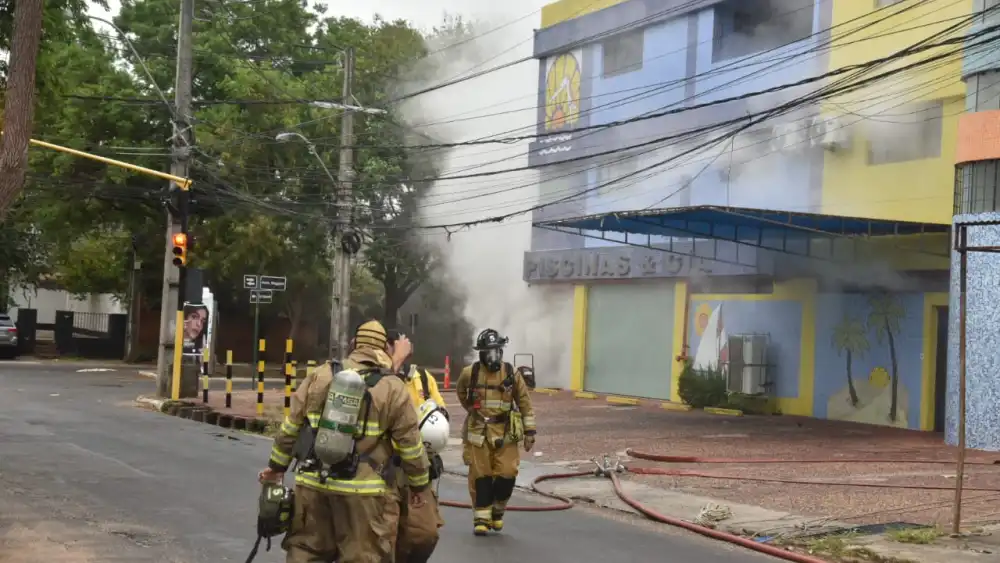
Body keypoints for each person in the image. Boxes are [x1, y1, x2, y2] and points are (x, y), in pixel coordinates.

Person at [258, 319, 430, 563]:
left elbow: (290, 429)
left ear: (354, 344)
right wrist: (419, 486)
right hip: (363, 494)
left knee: (306, 552)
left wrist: (276, 468)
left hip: (313, 485)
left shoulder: (320, 375)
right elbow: (411, 445)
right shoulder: (393, 387)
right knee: (361, 556)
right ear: (384, 348)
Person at [455, 328, 536, 536]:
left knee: (507, 474)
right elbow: (461, 392)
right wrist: (472, 410)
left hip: (505, 432)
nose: (493, 356)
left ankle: (497, 512)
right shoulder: (470, 373)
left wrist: (530, 431)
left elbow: (525, 403)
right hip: (478, 432)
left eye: (497, 351)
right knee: (480, 476)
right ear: (481, 353)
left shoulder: (511, 373)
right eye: (489, 352)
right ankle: (481, 518)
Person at [385, 330, 447, 563]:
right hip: (382, 471)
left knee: (424, 535)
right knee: (385, 536)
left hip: (417, 470)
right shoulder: (376, 378)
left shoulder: (422, 378)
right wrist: (394, 364)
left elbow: (440, 410)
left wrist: (436, 423)